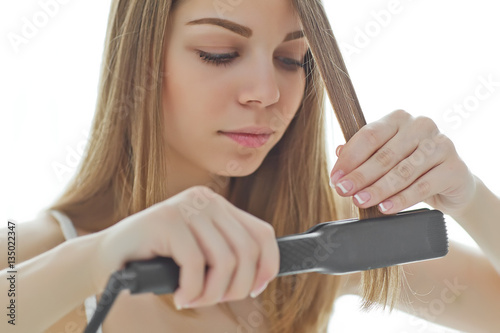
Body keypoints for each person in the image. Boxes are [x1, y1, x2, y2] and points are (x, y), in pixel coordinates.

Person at [1, 0, 499, 332]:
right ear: (141, 58)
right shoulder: (31, 248)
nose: (267, 93)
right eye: (219, 54)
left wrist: (470, 198)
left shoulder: (314, 250)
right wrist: (94, 262)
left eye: (291, 58)